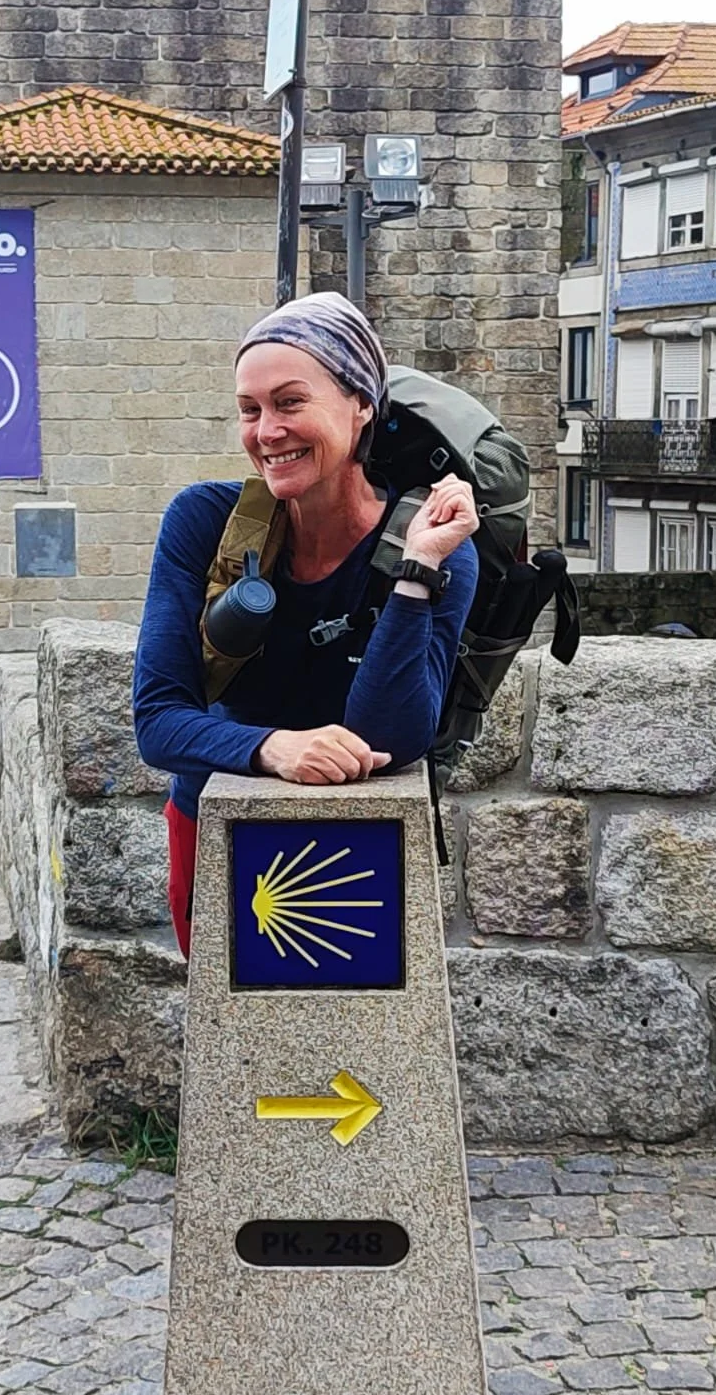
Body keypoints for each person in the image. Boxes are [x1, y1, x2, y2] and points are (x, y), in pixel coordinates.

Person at [133, 292, 479, 957]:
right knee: (234, 1043)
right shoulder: (204, 521)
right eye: (250, 409)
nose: (267, 431)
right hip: (216, 830)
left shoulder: (433, 539)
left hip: (359, 845)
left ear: (361, 404)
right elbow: (157, 721)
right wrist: (275, 749)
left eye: (290, 403)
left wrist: (417, 572)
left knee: (357, 1050)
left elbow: (390, 735)